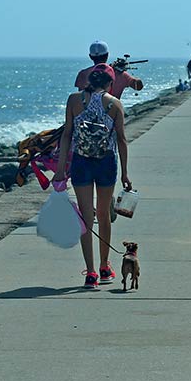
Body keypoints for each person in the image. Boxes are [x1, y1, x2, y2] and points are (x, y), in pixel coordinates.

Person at [53, 64, 132, 289]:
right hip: (106, 162)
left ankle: (90, 273)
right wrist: (125, 173)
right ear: (109, 84)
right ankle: (105, 266)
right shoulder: (115, 104)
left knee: (86, 219)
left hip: (81, 162)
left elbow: (67, 134)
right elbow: (122, 140)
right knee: (104, 215)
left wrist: (60, 168)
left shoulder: (73, 101)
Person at [74, 40, 144, 98]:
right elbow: (138, 87)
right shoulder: (119, 74)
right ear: (107, 55)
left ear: (90, 56)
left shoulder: (83, 74)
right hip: (113, 112)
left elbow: (81, 98)